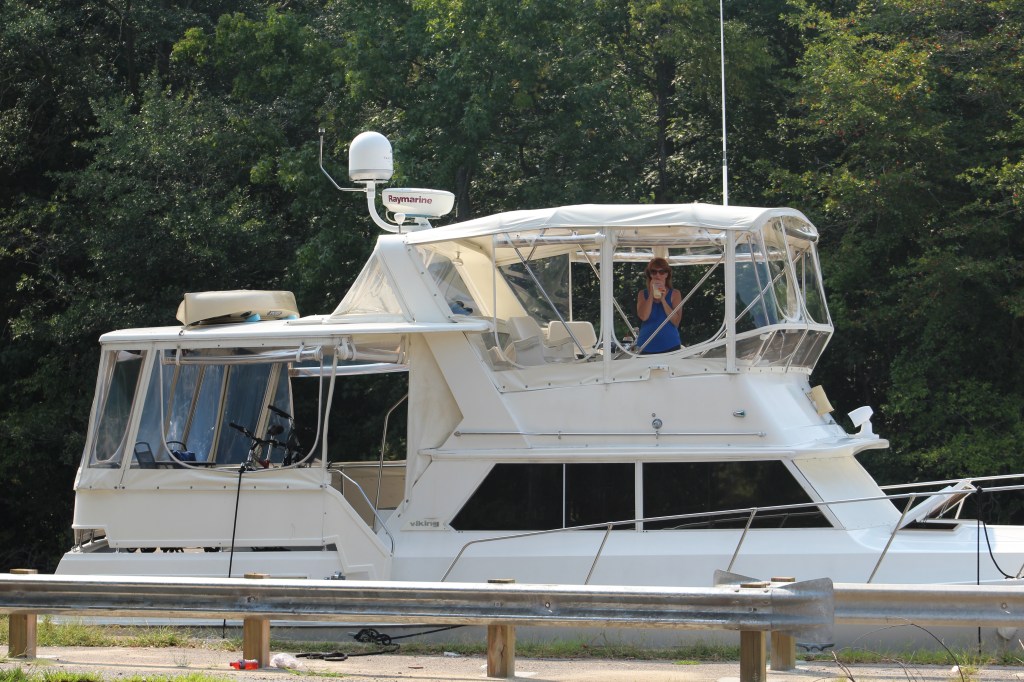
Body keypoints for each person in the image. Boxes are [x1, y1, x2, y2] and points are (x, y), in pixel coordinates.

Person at [635, 257, 682, 354]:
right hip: (645, 346)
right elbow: (644, 316)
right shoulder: (642, 294)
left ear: (667, 274)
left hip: (670, 346)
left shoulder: (675, 294)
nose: (657, 275)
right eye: (653, 272)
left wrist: (663, 300)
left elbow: (676, 322)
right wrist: (652, 294)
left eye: (661, 272)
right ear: (650, 275)